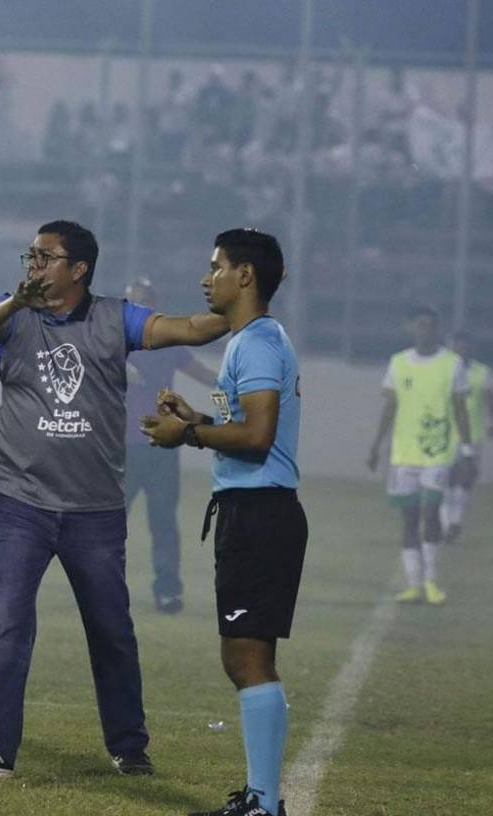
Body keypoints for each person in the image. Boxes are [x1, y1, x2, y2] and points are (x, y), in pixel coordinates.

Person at [0, 220, 230, 779]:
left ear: (78, 269)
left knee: (110, 629)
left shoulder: (113, 317)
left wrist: (245, 309)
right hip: (20, 503)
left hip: (94, 508)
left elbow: (191, 330)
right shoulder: (11, 314)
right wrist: (13, 302)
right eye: (30, 256)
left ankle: (128, 746)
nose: (33, 266)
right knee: (6, 624)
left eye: (45, 258)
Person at [140, 228, 302, 816]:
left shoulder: (255, 343)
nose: (206, 278)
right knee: (244, 657)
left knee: (247, 659)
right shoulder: (253, 340)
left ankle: (264, 802)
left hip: (259, 514)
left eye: (215, 267)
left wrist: (188, 434)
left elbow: (258, 438)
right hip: (253, 512)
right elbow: (248, 427)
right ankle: (262, 799)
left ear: (245, 276)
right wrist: (201, 419)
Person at [123, 278, 220, 614]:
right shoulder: (116, 343)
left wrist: (233, 388)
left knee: (161, 521)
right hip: (128, 447)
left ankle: (167, 590)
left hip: (159, 446)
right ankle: (108, 587)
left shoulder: (166, 343)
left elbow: (202, 374)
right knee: (113, 524)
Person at [367, 306, 473, 605]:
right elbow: (389, 407)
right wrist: (376, 445)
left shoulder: (452, 364)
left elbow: (460, 410)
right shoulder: (398, 363)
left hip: (438, 453)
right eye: (421, 325)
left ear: (438, 330)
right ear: (412, 328)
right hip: (404, 455)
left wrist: (466, 451)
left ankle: (431, 581)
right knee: (410, 520)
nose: (425, 330)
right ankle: (414, 584)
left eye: (431, 326)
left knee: (430, 514)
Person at [442, 332, 493, 545]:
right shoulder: (442, 371)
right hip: (445, 434)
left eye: (464, 346)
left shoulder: (481, 372)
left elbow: (491, 399)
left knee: (466, 480)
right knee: (446, 479)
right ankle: (448, 524)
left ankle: (455, 522)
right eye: (456, 346)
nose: (460, 349)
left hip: (472, 435)